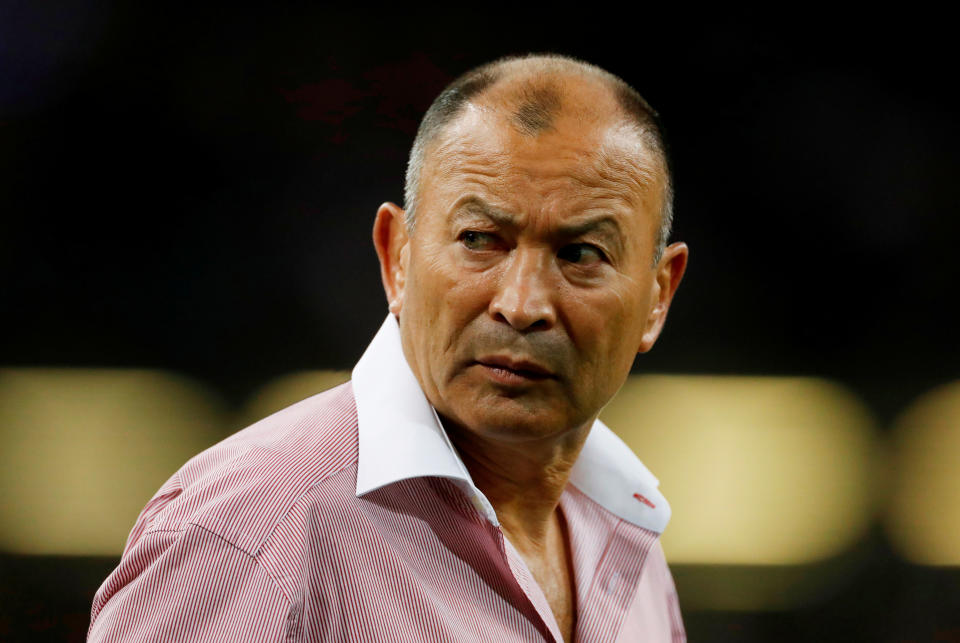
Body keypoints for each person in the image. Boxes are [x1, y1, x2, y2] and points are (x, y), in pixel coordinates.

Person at [88, 53, 689, 642]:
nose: (522, 303)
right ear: (396, 257)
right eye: (479, 239)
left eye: (581, 254)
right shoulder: (252, 531)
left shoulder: (629, 541)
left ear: (658, 296)